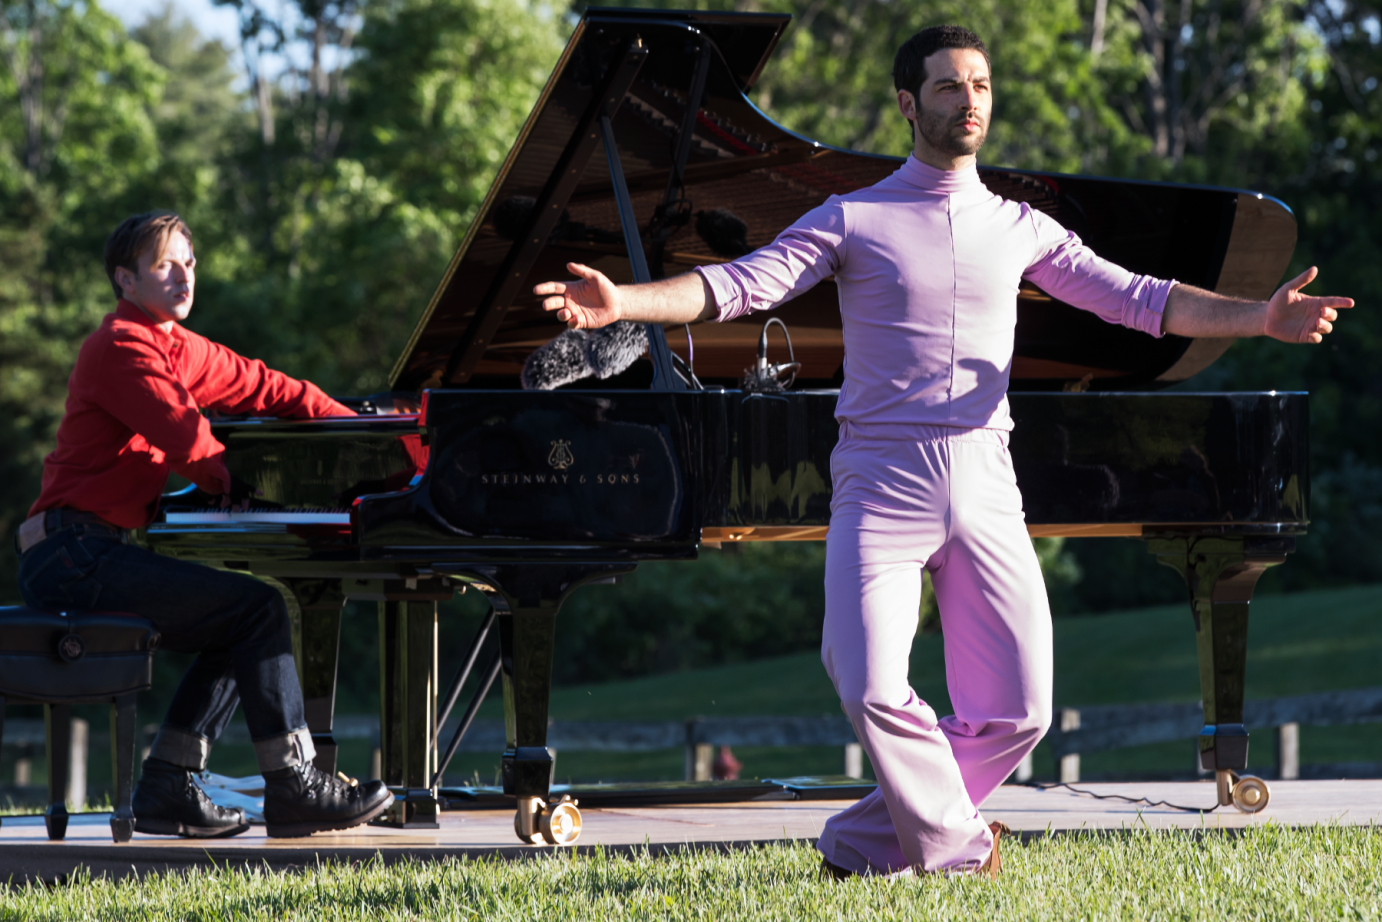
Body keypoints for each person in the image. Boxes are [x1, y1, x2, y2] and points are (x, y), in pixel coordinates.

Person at [534, 26, 1354, 876]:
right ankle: (962, 852)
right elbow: (741, 284)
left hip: (987, 476)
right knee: (865, 682)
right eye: (949, 86)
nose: (969, 101)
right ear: (908, 103)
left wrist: (1259, 317)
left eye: (981, 85)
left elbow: (1142, 301)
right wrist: (626, 300)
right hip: (881, 475)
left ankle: (860, 843)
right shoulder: (854, 217)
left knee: (1021, 712)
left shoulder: (1021, 228)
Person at [15, 211, 393, 839]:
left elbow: (269, 387)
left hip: (92, 550)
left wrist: (372, 435)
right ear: (126, 279)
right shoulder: (119, 345)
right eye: (165, 264)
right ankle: (293, 784)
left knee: (239, 618)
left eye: (189, 263)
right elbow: (188, 439)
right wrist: (241, 485)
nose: (184, 276)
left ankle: (168, 783)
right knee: (257, 609)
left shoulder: (178, 348)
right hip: (69, 555)